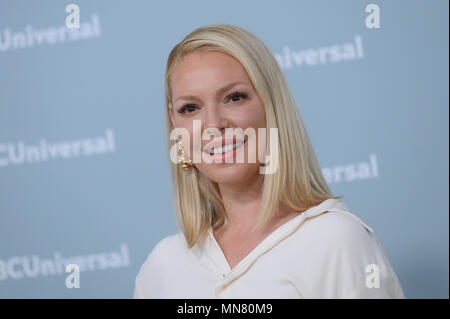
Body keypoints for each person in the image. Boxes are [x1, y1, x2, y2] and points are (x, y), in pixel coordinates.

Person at [133, 24, 405, 298]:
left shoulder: (336, 240)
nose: (213, 124)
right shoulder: (162, 266)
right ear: (175, 122)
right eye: (190, 108)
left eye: (234, 97)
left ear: (272, 106)